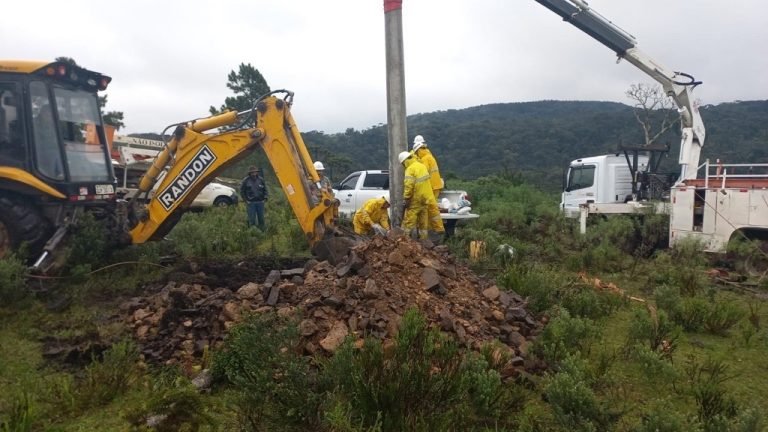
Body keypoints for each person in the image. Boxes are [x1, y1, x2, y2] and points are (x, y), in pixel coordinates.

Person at [398, 151, 444, 240]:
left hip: (417, 198)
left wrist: (406, 198)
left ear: (405, 161)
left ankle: (404, 239)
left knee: (409, 220)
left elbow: (409, 185)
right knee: (423, 221)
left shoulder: (410, 169)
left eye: (403, 163)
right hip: (426, 197)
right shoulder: (421, 165)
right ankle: (423, 241)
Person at [240, 166, 268, 230]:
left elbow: (265, 189)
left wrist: (265, 198)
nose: (254, 173)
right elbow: (242, 191)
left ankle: (262, 231)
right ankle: (253, 232)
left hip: (260, 202)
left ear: (257, 172)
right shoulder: (245, 180)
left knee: (261, 218)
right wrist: (246, 200)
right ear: (249, 173)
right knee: (252, 219)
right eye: (252, 172)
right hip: (251, 203)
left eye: (255, 172)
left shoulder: (261, 179)